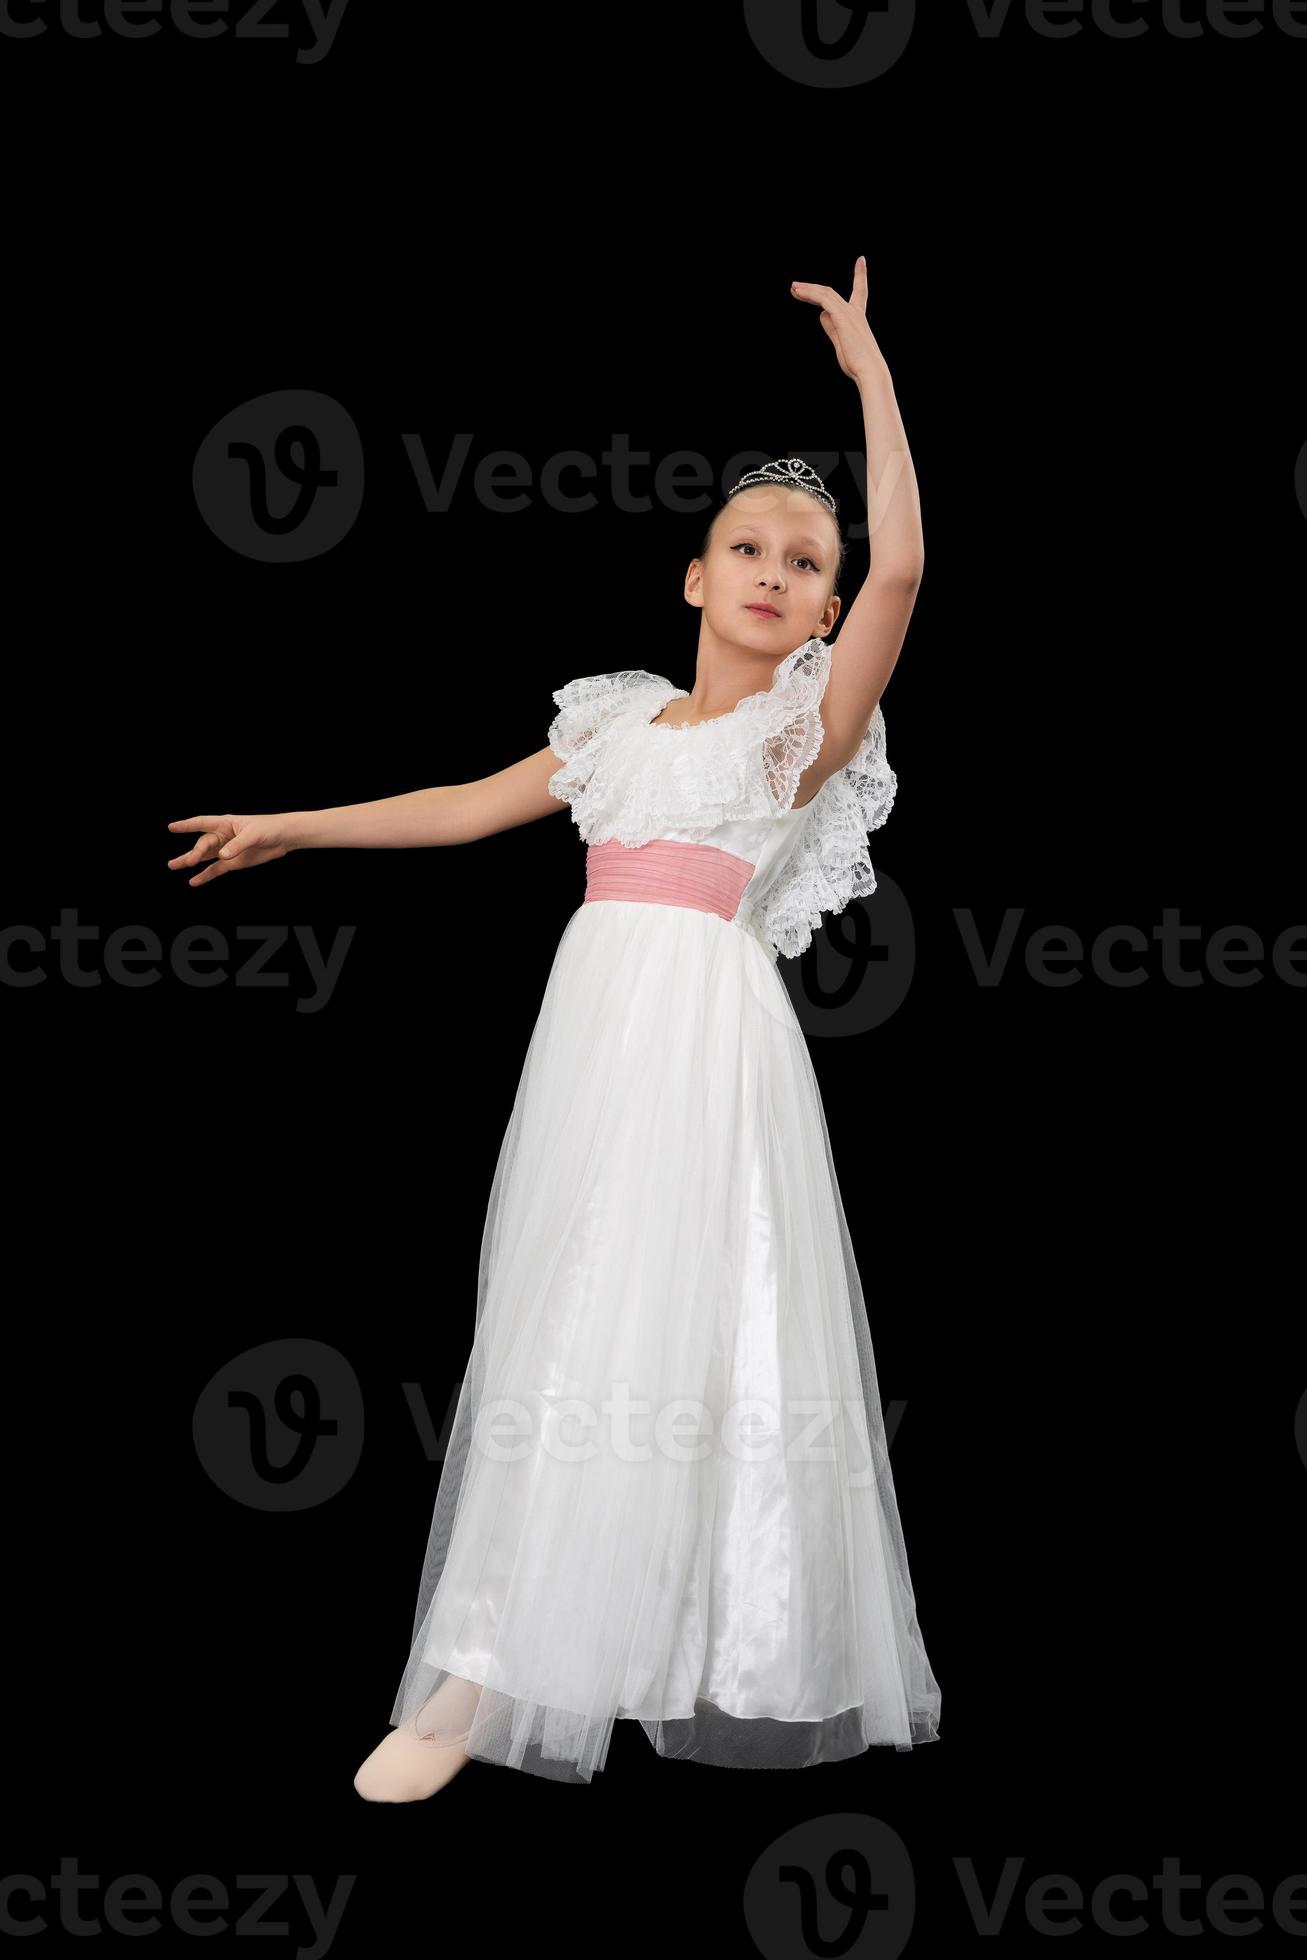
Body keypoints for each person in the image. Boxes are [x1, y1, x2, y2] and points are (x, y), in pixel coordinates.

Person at [166, 261, 941, 1802]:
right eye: (748, 547)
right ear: (694, 577)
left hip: (706, 1052)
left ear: (826, 610)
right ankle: (489, 1659)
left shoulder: (801, 732)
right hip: (596, 1046)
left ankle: (540, 1663)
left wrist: (872, 380)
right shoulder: (612, 725)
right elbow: (466, 806)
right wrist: (294, 828)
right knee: (561, 1323)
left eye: (808, 560)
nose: (777, 571)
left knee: (670, 1342)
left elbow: (911, 573)